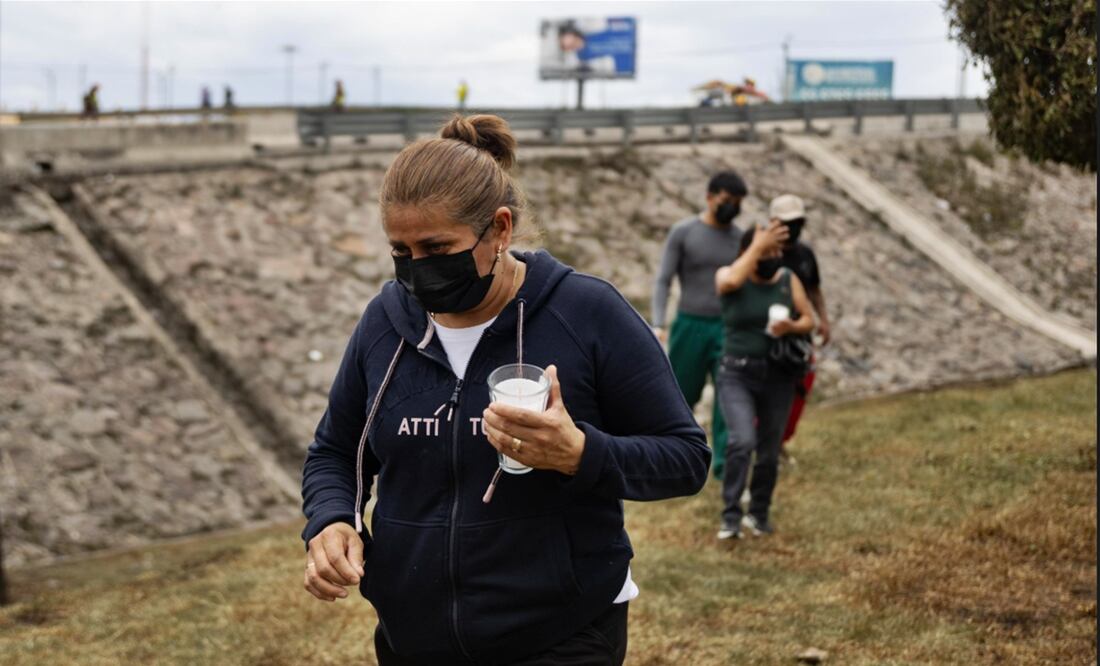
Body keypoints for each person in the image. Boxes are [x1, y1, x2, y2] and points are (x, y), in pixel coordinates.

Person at [300, 114, 710, 665]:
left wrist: (580, 454)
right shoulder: (384, 324)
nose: (418, 270)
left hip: (562, 633)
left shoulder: (586, 312)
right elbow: (336, 452)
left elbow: (685, 457)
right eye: (401, 252)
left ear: (499, 229)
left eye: (437, 247)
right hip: (413, 639)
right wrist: (331, 520)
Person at [714, 222, 815, 539]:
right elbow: (729, 281)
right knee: (741, 441)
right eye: (766, 250)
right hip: (736, 373)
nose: (773, 256)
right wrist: (758, 245)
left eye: (776, 251)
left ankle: (758, 514)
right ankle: (730, 517)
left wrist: (791, 327)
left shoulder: (787, 280)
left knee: (769, 451)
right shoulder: (729, 275)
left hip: (777, 375)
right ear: (748, 251)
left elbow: (808, 318)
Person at [652, 171, 747, 480]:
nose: (731, 207)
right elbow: (664, 279)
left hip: (727, 327)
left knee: (726, 394)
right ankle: (670, 458)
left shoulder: (740, 238)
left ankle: (723, 466)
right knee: (679, 393)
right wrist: (658, 321)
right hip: (689, 325)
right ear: (710, 197)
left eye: (737, 203)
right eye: (726, 200)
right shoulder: (684, 232)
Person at [769, 194, 830, 460]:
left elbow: (814, 288)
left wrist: (824, 320)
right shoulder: (764, 253)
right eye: (787, 222)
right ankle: (763, 443)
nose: (792, 228)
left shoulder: (805, 254)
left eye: (797, 222)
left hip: (799, 333)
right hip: (769, 334)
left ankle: (781, 441)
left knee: (800, 387)